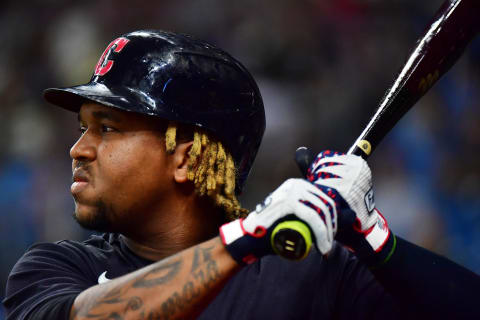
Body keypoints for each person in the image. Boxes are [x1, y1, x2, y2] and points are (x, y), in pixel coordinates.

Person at [2, 30, 479, 320]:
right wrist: (246, 239)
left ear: (187, 158)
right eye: (83, 127)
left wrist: (378, 243)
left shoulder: (309, 273)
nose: (78, 149)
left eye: (106, 128)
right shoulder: (55, 270)